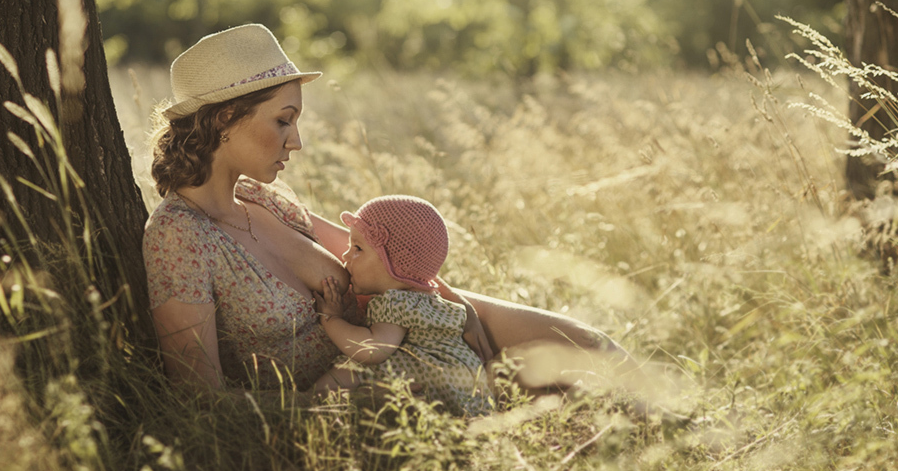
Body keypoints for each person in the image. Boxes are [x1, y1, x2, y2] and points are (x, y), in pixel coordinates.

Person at [143, 24, 627, 399]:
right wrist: (333, 410)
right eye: (283, 121)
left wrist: (452, 304)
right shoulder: (178, 235)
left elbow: (384, 258)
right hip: (360, 389)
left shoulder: (264, 198)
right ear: (226, 117)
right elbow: (198, 396)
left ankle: (691, 441)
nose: (297, 141)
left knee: (590, 347)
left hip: (413, 326)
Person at [311, 195, 493, 417]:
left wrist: (331, 319)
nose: (346, 255)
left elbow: (372, 350)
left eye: (358, 248)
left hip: (434, 382)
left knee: (349, 373)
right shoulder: (428, 299)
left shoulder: (396, 302)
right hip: (465, 382)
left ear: (395, 265)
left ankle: (308, 405)